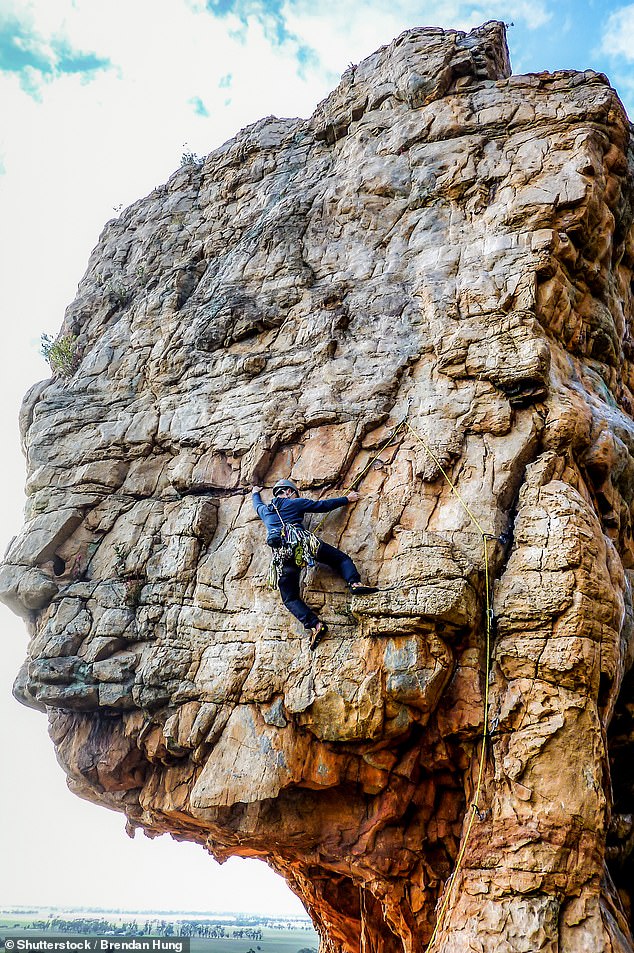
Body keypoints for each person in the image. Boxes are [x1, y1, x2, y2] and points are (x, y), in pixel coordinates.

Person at [252, 479, 378, 648]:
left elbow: (256, 503)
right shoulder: (294, 503)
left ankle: (315, 626)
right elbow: (322, 506)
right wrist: (346, 499)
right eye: (295, 493)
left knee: (289, 598)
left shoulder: (265, 511)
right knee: (341, 559)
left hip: (282, 557)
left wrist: (254, 491)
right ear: (289, 492)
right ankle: (354, 583)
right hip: (304, 545)